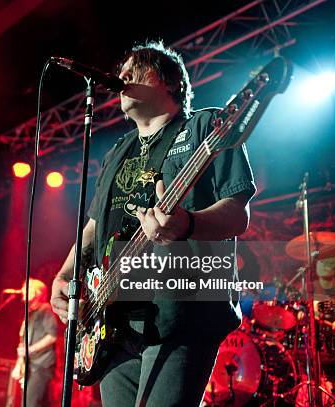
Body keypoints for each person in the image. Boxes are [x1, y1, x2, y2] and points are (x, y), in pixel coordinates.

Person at [50, 41, 256, 406]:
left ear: (171, 82)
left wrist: (186, 224)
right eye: (121, 71)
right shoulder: (118, 151)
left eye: (135, 69)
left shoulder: (205, 127)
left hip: (181, 308)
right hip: (114, 321)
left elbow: (237, 215)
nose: (122, 77)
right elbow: (95, 226)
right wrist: (65, 276)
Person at [11, 279, 58, 407]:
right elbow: (22, 344)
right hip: (30, 366)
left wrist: (30, 350)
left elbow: (52, 336)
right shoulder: (29, 314)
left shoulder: (45, 309)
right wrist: (18, 365)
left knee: (30, 403)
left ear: (37, 292)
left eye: (27, 288)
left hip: (41, 365)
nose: (23, 291)